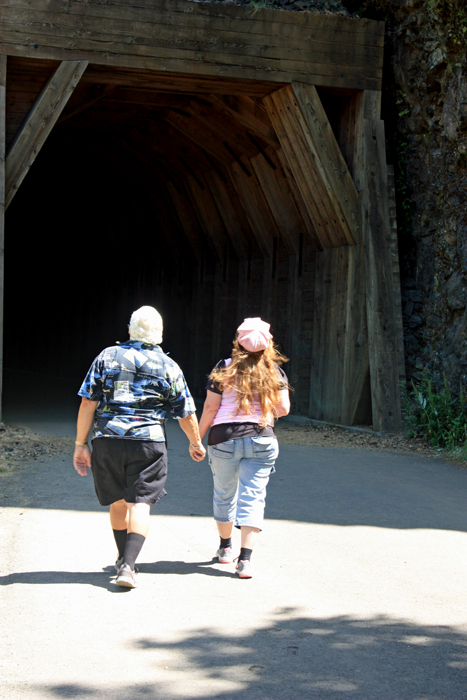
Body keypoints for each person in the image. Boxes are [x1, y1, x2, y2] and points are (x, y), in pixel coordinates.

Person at [73, 306, 205, 589]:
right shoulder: (168, 366)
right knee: (140, 503)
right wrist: (196, 442)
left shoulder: (107, 356)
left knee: (119, 501)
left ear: (130, 329)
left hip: (107, 440)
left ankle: (123, 557)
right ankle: (129, 566)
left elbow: (87, 402)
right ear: (159, 333)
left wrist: (80, 443)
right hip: (149, 443)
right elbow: (186, 412)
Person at [198, 317, 290, 578]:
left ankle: (225, 549)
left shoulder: (223, 368)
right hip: (262, 438)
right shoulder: (274, 371)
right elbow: (283, 409)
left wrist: (197, 439)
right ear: (268, 343)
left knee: (224, 494)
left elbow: (211, 407)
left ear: (238, 341)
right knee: (253, 496)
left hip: (223, 439)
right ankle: (246, 561)